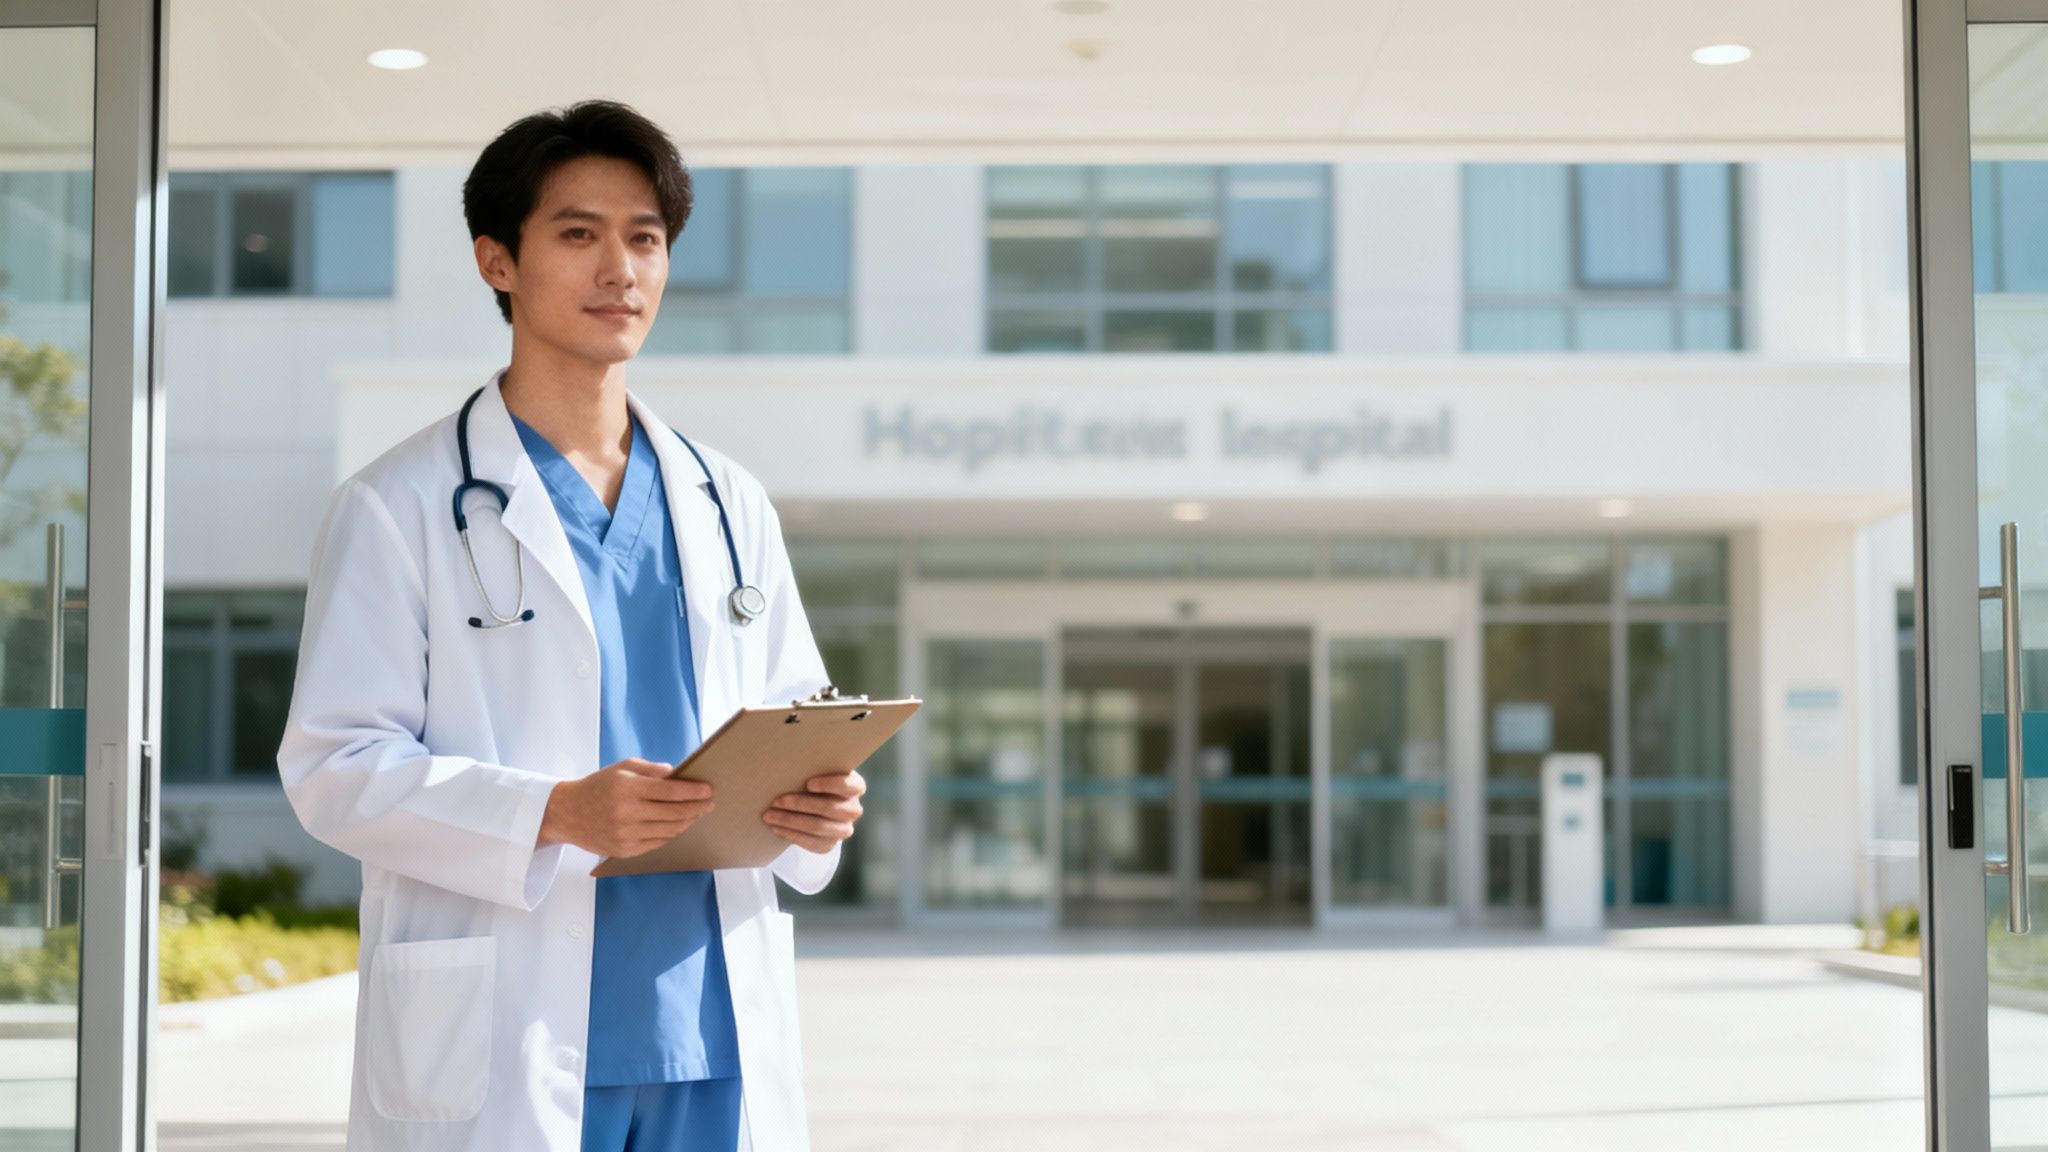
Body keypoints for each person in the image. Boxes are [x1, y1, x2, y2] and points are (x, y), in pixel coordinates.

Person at [276, 100, 865, 1152]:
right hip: (510, 1028)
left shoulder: (727, 501)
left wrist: (817, 802)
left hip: (709, 1027)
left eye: (644, 239)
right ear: (496, 261)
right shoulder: (399, 503)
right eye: (578, 235)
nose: (620, 270)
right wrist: (551, 812)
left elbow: (791, 717)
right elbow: (333, 769)